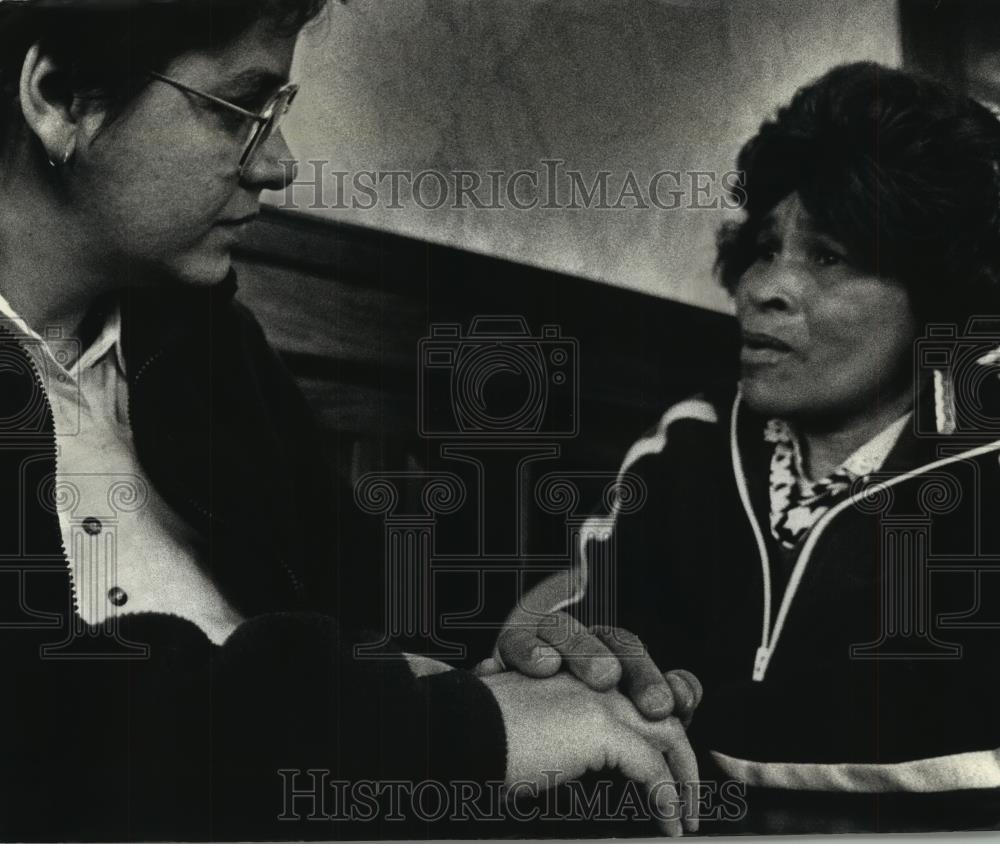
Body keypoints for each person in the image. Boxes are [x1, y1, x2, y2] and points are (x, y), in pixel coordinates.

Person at [0, 0, 701, 839]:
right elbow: (42, 726)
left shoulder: (202, 346)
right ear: (58, 95)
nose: (280, 165)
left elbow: (366, 605)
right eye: (240, 109)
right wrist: (456, 734)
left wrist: (519, 647)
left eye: (278, 114)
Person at [492, 61, 1000, 834]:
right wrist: (554, 647)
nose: (766, 287)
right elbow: (583, 621)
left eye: (829, 256)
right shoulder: (687, 447)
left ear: (936, 293)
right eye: (764, 248)